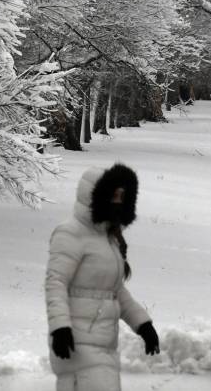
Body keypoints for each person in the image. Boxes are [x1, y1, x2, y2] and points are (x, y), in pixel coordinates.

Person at [45, 163, 159, 391]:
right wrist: (60, 327)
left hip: (103, 344)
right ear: (95, 196)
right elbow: (55, 282)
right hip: (77, 341)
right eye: (113, 195)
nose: (117, 201)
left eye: (122, 196)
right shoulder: (70, 233)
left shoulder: (108, 239)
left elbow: (114, 291)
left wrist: (143, 324)